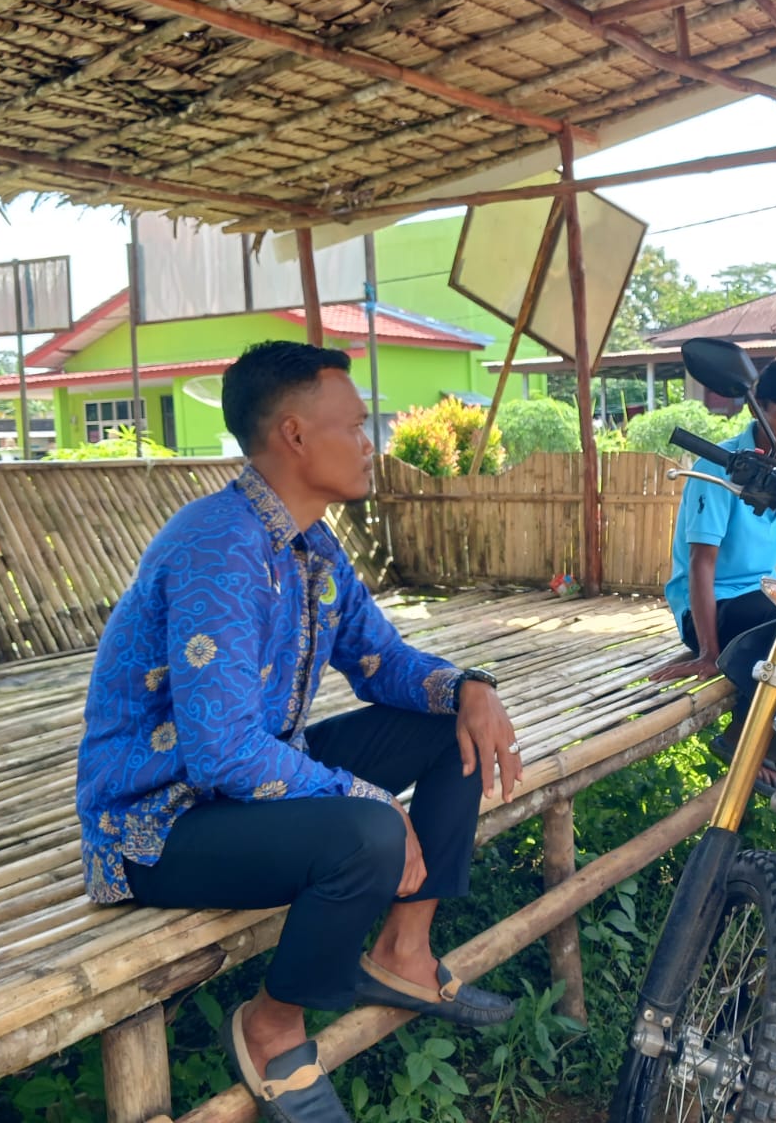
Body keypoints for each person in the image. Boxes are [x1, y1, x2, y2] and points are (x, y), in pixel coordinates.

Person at [76, 341, 524, 1123]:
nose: (370, 443)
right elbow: (220, 753)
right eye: (354, 426)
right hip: (159, 825)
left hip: (249, 783)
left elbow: (382, 662)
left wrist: (468, 687)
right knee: (365, 834)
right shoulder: (218, 546)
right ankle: (272, 1025)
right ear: (293, 435)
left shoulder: (312, 547)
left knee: (447, 728)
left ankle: (404, 952)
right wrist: (370, 799)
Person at [656, 354, 776, 683]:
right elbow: (701, 563)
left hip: (765, 596)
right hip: (711, 610)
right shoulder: (717, 467)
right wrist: (709, 654)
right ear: (756, 408)